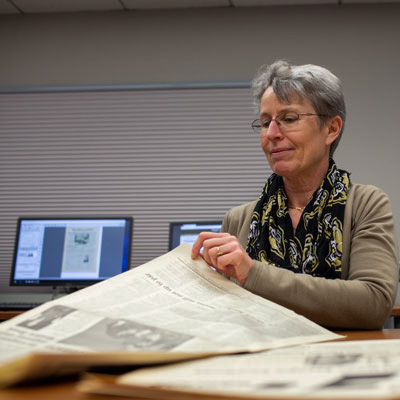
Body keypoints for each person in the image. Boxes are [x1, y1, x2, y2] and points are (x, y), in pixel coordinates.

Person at [191, 60, 399, 330]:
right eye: (265, 123)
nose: (272, 134)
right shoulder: (238, 219)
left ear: (331, 129)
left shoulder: (365, 205)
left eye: (289, 119)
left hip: (335, 363)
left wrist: (253, 273)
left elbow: (372, 305)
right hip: (254, 366)